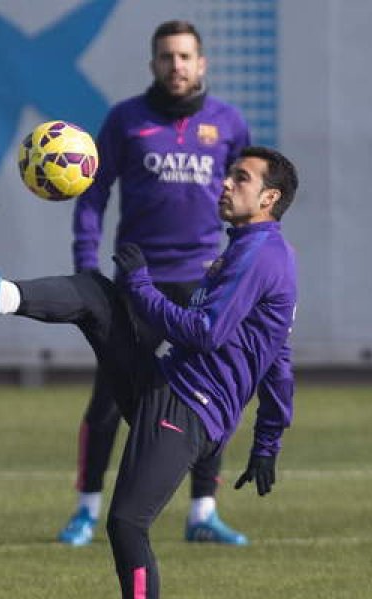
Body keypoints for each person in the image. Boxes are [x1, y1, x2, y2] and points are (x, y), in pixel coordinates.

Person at [0, 146, 296, 599]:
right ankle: (0, 295)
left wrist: (139, 285)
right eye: (230, 174)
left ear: (269, 198)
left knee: (126, 524)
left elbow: (206, 335)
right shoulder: (252, 250)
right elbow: (278, 361)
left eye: (242, 177)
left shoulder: (260, 256)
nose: (226, 183)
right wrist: (268, 443)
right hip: (169, 386)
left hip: (188, 407)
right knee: (95, 295)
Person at [61, 20, 253, 547]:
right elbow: (93, 194)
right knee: (108, 400)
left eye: (186, 56)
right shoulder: (126, 120)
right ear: (153, 64)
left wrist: (240, 265)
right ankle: (85, 511)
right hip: (138, 283)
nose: (177, 65)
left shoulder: (229, 124)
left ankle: (202, 513)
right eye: (167, 57)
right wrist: (86, 262)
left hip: (203, 284)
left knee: (210, 400)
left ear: (202, 63)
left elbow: (248, 202)